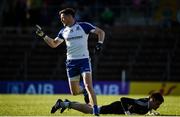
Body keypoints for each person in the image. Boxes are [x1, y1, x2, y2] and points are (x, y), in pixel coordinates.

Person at [35, 8, 105, 116]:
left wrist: (99, 43)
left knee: (88, 85)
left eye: (63, 18)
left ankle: (95, 110)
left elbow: (101, 32)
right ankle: (84, 92)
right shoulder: (63, 31)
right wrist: (43, 35)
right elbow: (54, 44)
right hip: (71, 63)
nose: (61, 20)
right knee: (75, 92)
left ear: (69, 16)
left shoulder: (84, 26)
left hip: (84, 60)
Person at [52, 92, 164, 115]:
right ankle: (63, 104)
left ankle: (68, 103)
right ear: (152, 100)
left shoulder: (147, 103)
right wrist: (127, 113)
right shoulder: (144, 104)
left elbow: (144, 106)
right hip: (116, 107)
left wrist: (152, 112)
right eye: (157, 104)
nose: (158, 106)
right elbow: (123, 99)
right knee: (92, 110)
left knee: (91, 109)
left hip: (117, 108)